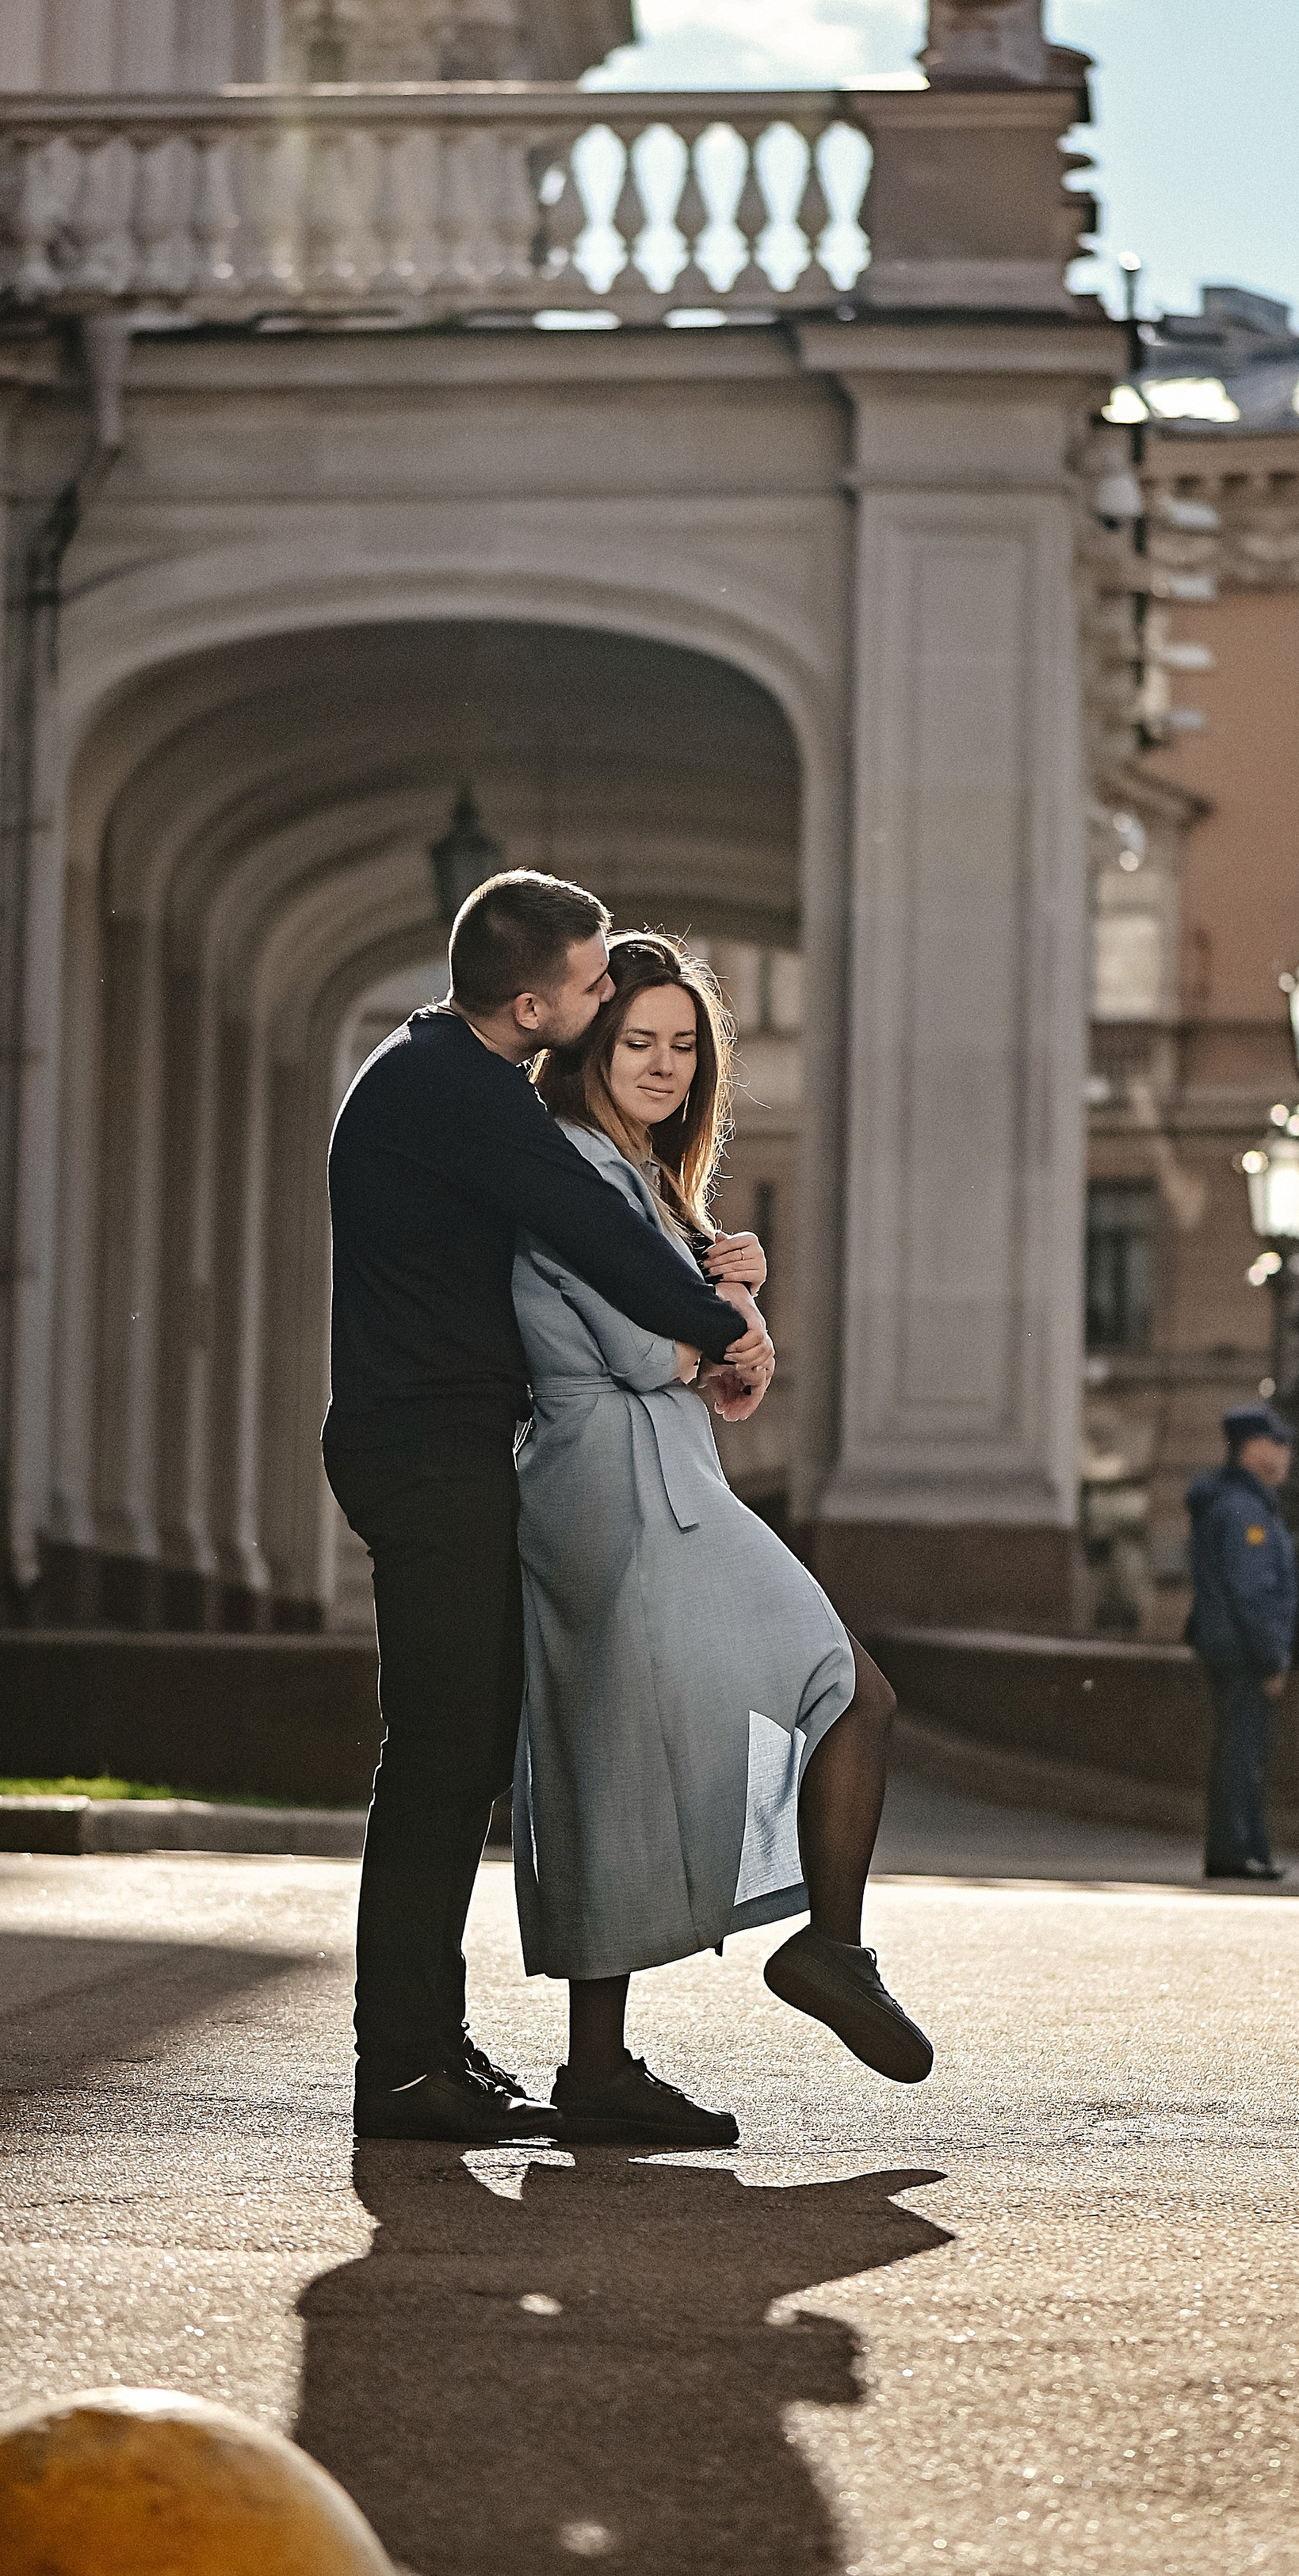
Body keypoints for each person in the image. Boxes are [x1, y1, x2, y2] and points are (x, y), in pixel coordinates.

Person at [325, 871, 774, 2145]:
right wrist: (717, 1322)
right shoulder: (460, 1092)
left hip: (434, 1439)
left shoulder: (434, 1070)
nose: (603, 997)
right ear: (532, 1004)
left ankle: (420, 2042)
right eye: (591, 986)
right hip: (427, 1449)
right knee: (440, 1757)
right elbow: (588, 1227)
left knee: (451, 1753)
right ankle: (402, 2065)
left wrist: (713, 1281)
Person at [511, 933, 930, 2147]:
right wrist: (718, 1318)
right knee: (852, 1690)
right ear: (590, 1046)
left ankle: (599, 2067)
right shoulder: (577, 1171)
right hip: (624, 1492)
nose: (664, 1064)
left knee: (618, 1769)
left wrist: (727, 1290)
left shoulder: (639, 1182)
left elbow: (722, 1379)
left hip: (649, 1483)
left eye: (685, 1045)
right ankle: (830, 1950)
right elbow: (643, 1352)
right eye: (638, 1039)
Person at [1185, 1404, 1299, 1881]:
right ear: (1253, 1449)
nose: (1287, 1453)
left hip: (1229, 1646)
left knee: (1241, 1750)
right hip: (1242, 1652)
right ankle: (1235, 1849)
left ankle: (1245, 1847)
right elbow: (1252, 1591)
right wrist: (1272, 1657)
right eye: (1279, 1443)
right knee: (1241, 1751)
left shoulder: (1240, 1504)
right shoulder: (1243, 1511)